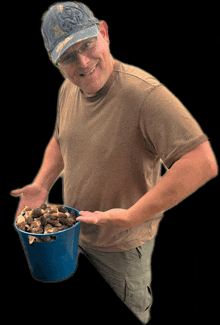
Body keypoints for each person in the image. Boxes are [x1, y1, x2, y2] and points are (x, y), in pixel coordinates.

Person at [11, 2, 218, 324]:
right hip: (76, 232)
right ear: (56, 63)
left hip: (120, 245)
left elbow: (201, 161)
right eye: (68, 56)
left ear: (104, 33)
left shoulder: (144, 95)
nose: (82, 62)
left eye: (87, 44)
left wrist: (131, 216)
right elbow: (61, 137)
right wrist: (42, 184)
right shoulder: (70, 87)